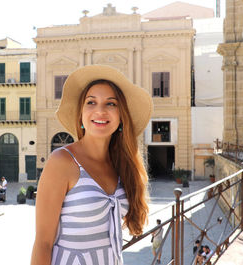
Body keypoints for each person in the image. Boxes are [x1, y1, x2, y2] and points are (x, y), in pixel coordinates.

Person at [31, 65, 153, 265]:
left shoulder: (122, 164)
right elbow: (43, 243)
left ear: (121, 116)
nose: (100, 111)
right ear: (80, 114)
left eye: (111, 104)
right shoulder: (62, 162)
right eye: (91, 102)